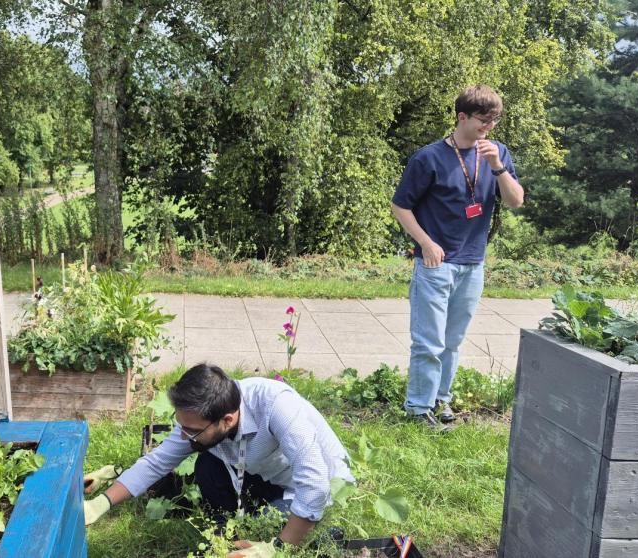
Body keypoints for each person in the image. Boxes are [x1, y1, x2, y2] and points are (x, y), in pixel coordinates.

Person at [82, 364, 354, 555]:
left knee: (271, 528)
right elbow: (156, 462)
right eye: (182, 427)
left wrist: (278, 547)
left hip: (314, 486)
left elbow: (316, 484)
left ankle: (263, 538)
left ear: (227, 419)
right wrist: (101, 503)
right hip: (263, 473)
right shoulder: (206, 417)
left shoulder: (277, 407)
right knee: (207, 465)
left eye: (192, 431)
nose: (184, 437)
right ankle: (226, 536)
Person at [391, 85, 524, 429]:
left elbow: (515, 201)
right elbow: (400, 206)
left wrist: (497, 166)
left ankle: (441, 398)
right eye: (483, 120)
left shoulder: (498, 153)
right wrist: (425, 243)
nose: (489, 127)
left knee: (453, 341)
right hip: (436, 263)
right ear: (462, 117)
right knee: (429, 342)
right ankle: (418, 408)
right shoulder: (429, 158)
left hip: (472, 263)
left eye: (494, 120)